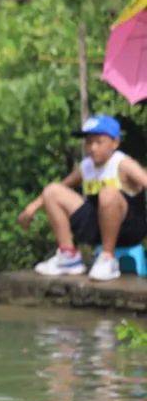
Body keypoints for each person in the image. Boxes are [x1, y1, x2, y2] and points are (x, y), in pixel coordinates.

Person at [18, 115, 147, 281]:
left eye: (98, 142)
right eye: (88, 142)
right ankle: (68, 255)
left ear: (114, 143)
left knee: (108, 193)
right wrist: (32, 208)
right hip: (97, 227)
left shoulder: (123, 163)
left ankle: (108, 258)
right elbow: (61, 187)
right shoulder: (86, 166)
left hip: (129, 228)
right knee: (52, 191)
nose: (92, 148)